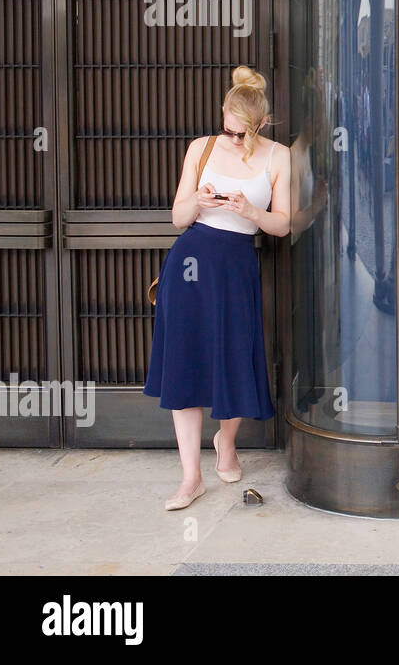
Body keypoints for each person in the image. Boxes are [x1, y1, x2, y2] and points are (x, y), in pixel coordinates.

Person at [144, 66, 290, 510]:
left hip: (236, 264)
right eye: (228, 128)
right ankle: (191, 477)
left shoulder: (278, 156)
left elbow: (282, 225)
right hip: (190, 261)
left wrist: (250, 211)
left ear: (261, 124)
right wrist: (199, 203)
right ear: (223, 114)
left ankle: (226, 442)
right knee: (184, 363)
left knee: (234, 356)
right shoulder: (201, 148)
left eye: (242, 132)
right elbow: (177, 217)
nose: (233, 138)